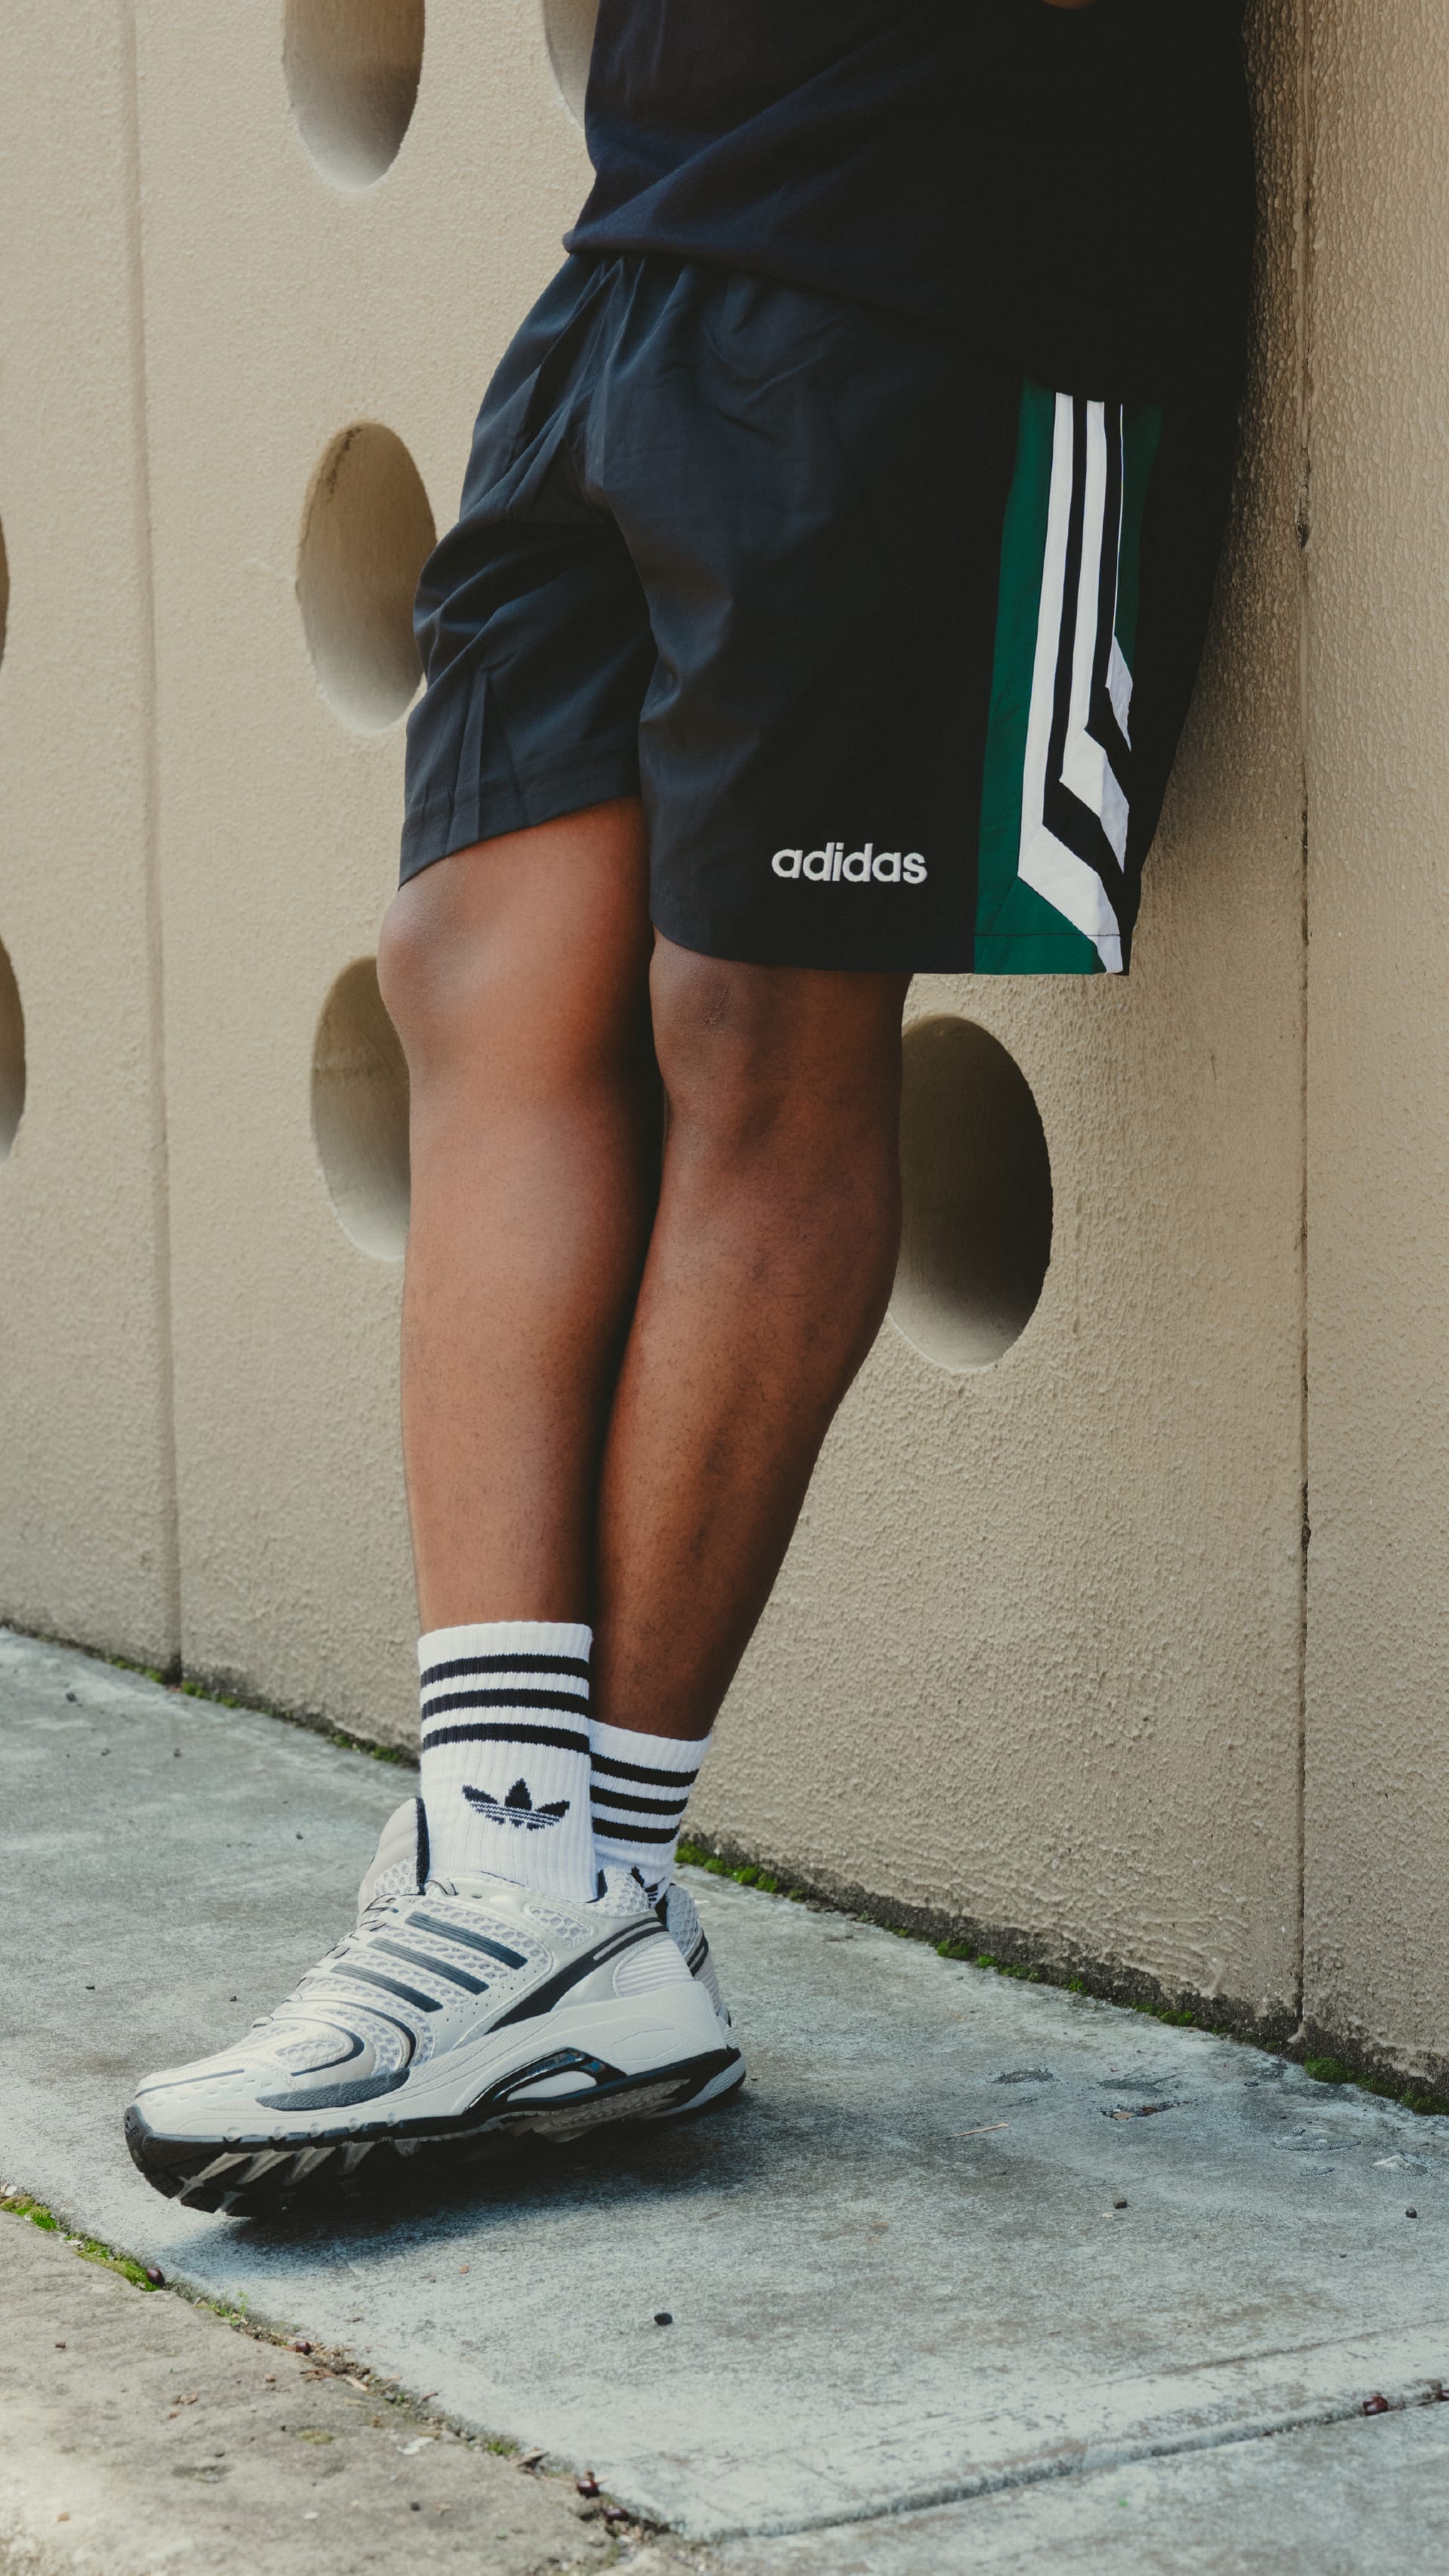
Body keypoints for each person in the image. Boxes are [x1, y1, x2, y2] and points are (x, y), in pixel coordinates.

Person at [125, 0, 1254, 2213]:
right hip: (651, 230)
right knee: (472, 955)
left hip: (953, 235)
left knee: (755, 1021)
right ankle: (516, 1861)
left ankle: (563, 1891)